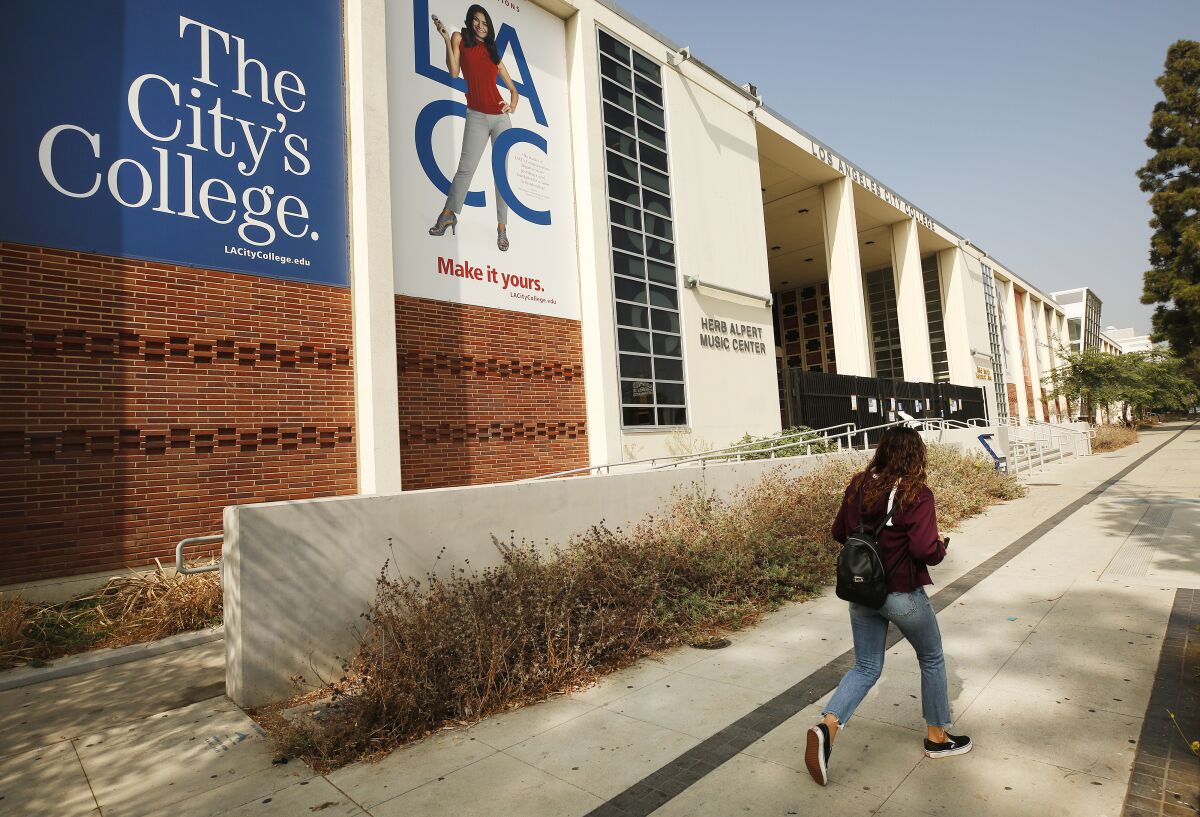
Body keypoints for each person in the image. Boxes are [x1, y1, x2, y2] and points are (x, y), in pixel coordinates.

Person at [805, 427, 971, 787]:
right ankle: (937, 739)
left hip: (862, 592)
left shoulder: (859, 485)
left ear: (882, 451)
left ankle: (828, 727)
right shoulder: (916, 494)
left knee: (866, 665)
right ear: (916, 456)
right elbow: (925, 550)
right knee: (931, 658)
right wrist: (941, 547)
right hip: (900, 595)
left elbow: (838, 532)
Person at [429, 5, 521, 252]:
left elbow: (514, 90)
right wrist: (446, 40)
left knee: (500, 176)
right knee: (465, 170)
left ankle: (502, 228)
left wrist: (510, 106)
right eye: (477, 21)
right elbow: (454, 71)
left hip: (500, 120)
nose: (481, 26)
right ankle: (448, 214)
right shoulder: (460, 38)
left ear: (488, 27)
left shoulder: (493, 53)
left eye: (485, 23)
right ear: (470, 22)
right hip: (477, 116)